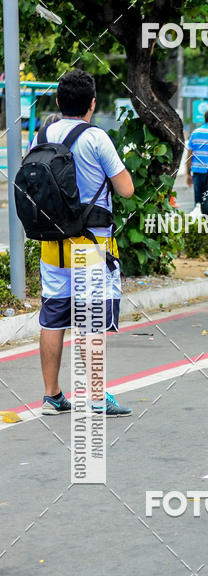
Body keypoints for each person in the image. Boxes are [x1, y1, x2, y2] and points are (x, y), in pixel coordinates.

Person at [35, 70, 135, 416]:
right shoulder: (96, 138)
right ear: (92, 103)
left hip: (52, 245)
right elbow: (126, 189)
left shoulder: (43, 133)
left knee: (53, 318)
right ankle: (95, 398)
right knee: (90, 321)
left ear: (59, 102)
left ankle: (52, 396)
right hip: (91, 246)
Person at [186, 109, 208, 212]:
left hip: (197, 172)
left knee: (198, 202)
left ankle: (198, 222)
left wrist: (188, 173)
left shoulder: (195, 133)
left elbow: (189, 155)